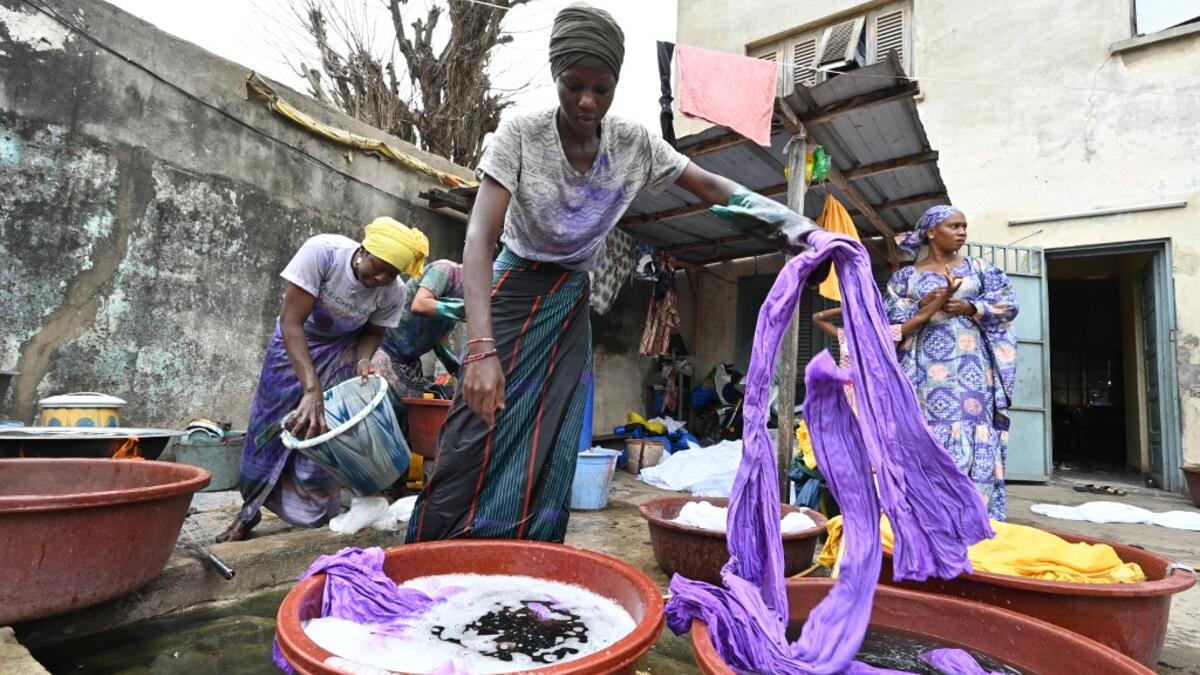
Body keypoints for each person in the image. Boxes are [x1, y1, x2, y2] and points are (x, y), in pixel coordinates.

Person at [406, 3, 822, 543]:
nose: (586, 101)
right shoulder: (521, 135)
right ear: (556, 76)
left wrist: (793, 223)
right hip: (513, 286)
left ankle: (525, 556)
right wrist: (480, 348)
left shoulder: (633, 145)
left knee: (554, 431)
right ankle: (431, 551)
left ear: (615, 85)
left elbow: (713, 187)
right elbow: (480, 238)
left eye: (601, 88)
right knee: (475, 424)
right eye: (572, 84)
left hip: (569, 295)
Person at [219, 218, 428, 542]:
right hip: (293, 350)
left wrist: (363, 360)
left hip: (340, 355)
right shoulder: (323, 254)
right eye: (379, 267)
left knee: (324, 440)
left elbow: (373, 331)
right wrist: (311, 388)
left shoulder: (392, 291)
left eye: (392, 273)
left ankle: (314, 522)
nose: (382, 278)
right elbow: (291, 323)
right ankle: (248, 512)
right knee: (270, 433)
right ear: (364, 250)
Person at [885, 205, 1018, 520]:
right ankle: (924, 514)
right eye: (954, 226)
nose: (962, 232)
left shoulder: (980, 269)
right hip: (921, 371)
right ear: (932, 232)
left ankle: (972, 514)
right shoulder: (905, 277)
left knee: (971, 430)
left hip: (971, 369)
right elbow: (887, 319)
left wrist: (971, 307)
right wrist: (925, 304)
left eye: (964, 226)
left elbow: (1008, 305)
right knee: (920, 431)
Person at [813, 271, 961, 409]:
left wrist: (947, 293)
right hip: (849, 394)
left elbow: (920, 317)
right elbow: (818, 318)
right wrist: (847, 309)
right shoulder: (848, 336)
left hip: (876, 394)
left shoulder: (885, 334)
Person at [375, 260, 465, 399]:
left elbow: (440, 341)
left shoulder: (465, 294)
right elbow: (420, 304)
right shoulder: (445, 270)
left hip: (409, 365)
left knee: (409, 415)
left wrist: (460, 371)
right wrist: (466, 309)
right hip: (385, 351)